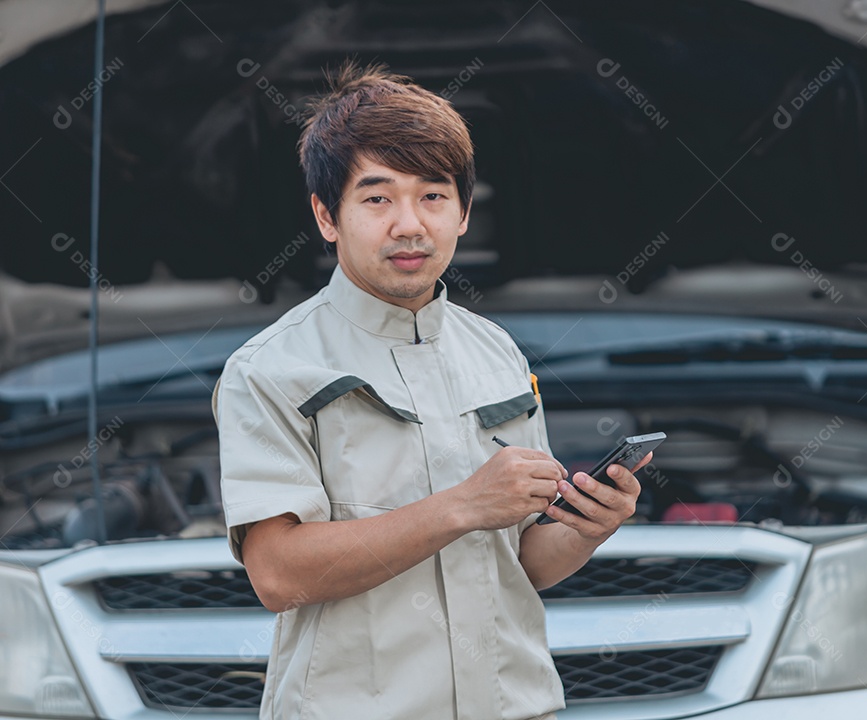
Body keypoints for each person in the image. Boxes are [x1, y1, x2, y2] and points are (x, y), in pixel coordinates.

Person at [213, 60, 651, 720]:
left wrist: (589, 529)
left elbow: (519, 564)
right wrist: (465, 504)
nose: (410, 225)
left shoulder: (497, 352)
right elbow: (278, 573)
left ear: (465, 213)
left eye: (433, 196)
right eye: (377, 198)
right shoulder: (269, 369)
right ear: (327, 216)